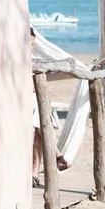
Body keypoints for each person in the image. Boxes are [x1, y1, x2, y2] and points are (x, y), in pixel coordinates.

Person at [31, 27, 69, 183]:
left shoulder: (31, 58)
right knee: (38, 130)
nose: (31, 47)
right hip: (22, 100)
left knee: (38, 133)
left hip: (33, 100)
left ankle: (34, 173)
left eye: (33, 45)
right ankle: (57, 155)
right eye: (29, 43)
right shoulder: (14, 56)